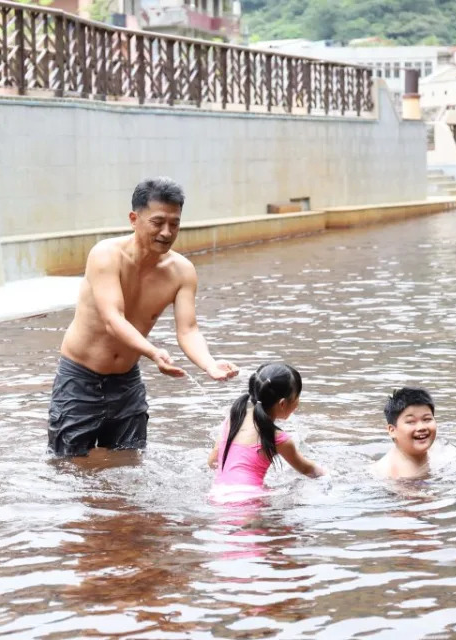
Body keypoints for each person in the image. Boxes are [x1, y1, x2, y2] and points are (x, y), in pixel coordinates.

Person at [48, 177, 239, 457]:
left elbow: (188, 330)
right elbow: (113, 319)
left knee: (129, 463)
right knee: (69, 466)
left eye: (174, 223)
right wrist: (153, 352)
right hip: (80, 378)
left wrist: (209, 364)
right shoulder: (106, 255)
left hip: (126, 382)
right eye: (158, 222)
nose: (166, 232)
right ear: (134, 218)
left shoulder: (181, 271)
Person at [207, 363, 326, 501]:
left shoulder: (233, 419)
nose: (298, 403)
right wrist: (328, 474)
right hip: (249, 499)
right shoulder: (279, 438)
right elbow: (307, 469)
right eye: (296, 398)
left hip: (217, 495)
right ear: (282, 404)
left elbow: (212, 462)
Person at [372, 387, 438, 479]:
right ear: (392, 430)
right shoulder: (396, 474)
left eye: (427, 419)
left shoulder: (438, 450)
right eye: (411, 422)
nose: (421, 427)